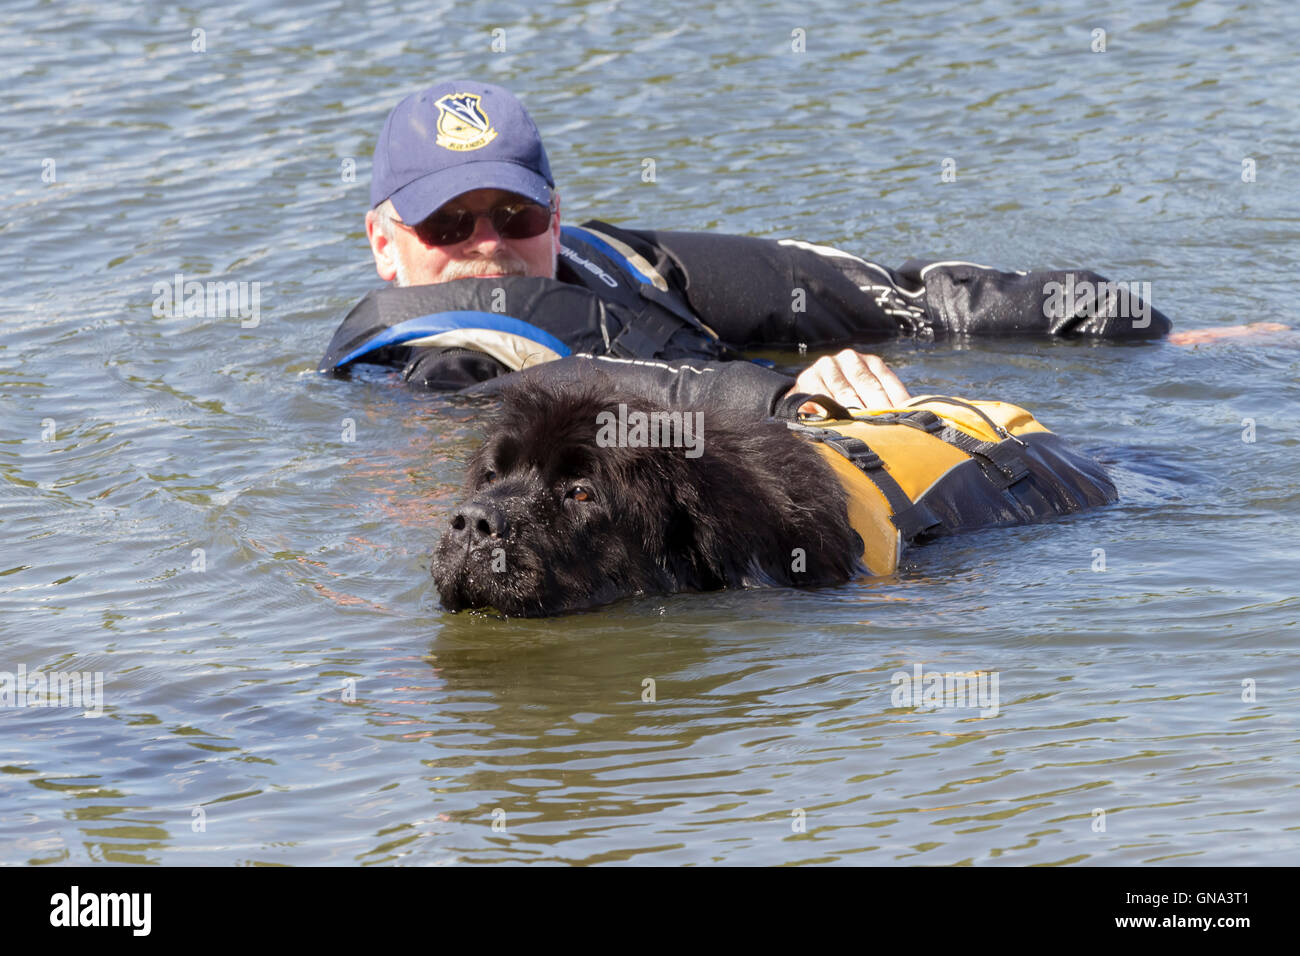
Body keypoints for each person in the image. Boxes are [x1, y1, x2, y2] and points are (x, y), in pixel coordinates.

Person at [319, 80, 1181, 415]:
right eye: (448, 225)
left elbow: (905, 297)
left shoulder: (625, 267)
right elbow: (575, 398)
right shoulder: (419, 374)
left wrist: (1141, 328)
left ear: (555, 211)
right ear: (384, 245)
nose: (488, 249)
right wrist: (792, 398)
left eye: (514, 215)